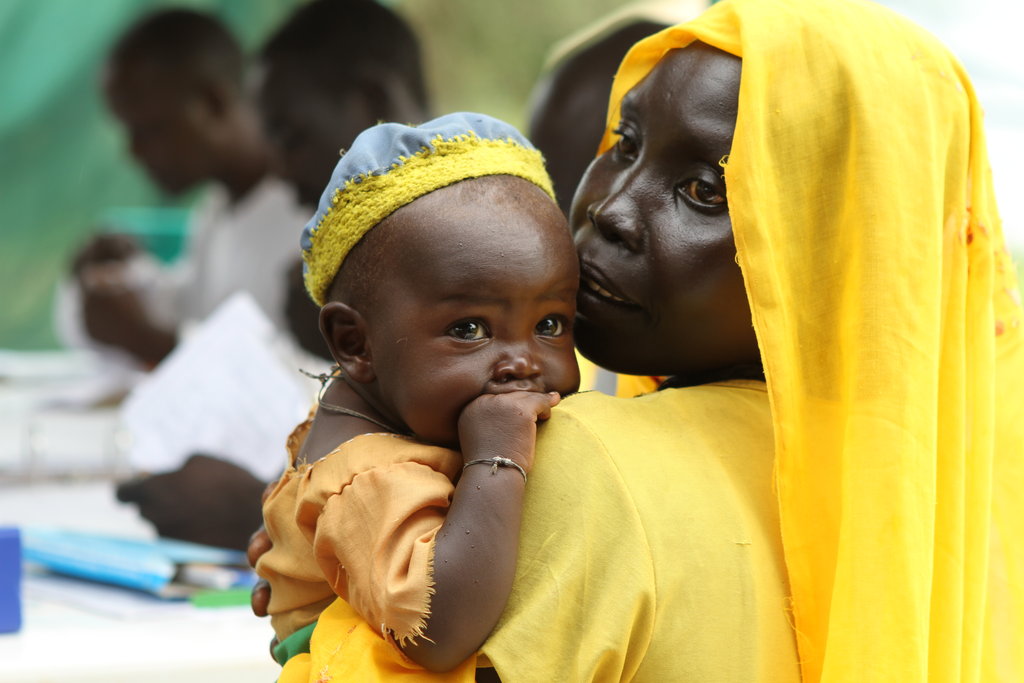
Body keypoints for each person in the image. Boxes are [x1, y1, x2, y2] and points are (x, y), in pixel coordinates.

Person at [259, 0, 1024, 680]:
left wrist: (323, 583)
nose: (614, 208)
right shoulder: (940, 480)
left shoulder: (583, 459)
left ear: (833, 249)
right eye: (624, 143)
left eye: (704, 190)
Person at [255, 112, 580, 679]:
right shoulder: (368, 475)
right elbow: (438, 628)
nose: (523, 363)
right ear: (356, 343)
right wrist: (496, 461)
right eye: (470, 329)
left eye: (551, 323)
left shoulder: (392, 411)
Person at [63, 8, 308, 366]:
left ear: (212, 102)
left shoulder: (307, 212)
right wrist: (119, 281)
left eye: (149, 130)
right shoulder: (216, 209)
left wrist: (150, 342)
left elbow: (305, 384)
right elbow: (191, 312)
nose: (134, 152)